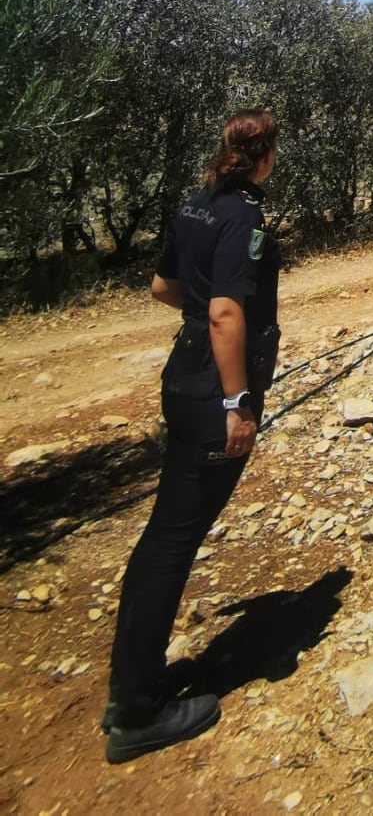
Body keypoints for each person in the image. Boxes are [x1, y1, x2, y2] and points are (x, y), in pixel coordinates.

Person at [102, 109, 282, 764]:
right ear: (264, 156)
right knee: (170, 541)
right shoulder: (245, 216)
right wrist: (237, 402)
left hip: (181, 376)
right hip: (215, 391)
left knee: (165, 534)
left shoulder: (195, 204)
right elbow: (227, 310)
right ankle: (137, 708)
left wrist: (204, 312)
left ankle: (130, 686)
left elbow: (161, 286)